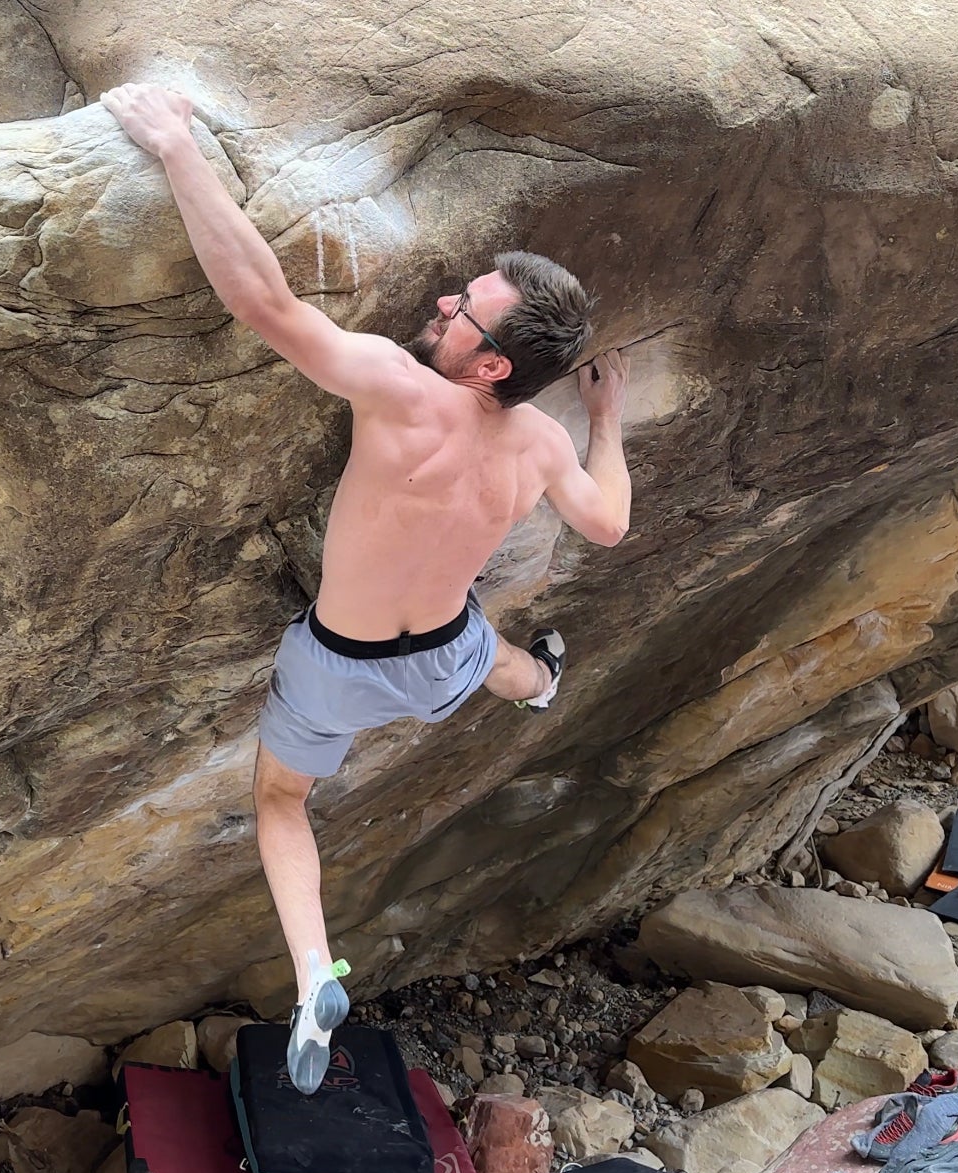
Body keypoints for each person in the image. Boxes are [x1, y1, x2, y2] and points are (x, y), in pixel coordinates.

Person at [102, 82, 634, 1094]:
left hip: (338, 668)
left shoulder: (401, 390)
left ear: (486, 366)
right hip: (442, 654)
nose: (443, 303)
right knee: (499, 660)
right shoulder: (538, 440)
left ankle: (313, 975)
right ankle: (544, 684)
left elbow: (261, 301)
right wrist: (604, 422)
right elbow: (607, 525)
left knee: (280, 802)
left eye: (465, 312)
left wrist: (176, 146)